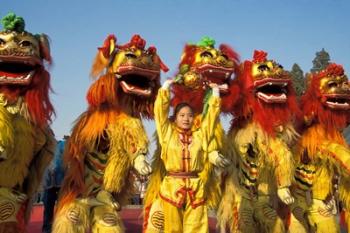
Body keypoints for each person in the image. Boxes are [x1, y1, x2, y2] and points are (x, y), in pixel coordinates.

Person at [154, 79, 227, 233]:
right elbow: (160, 114)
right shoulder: (167, 134)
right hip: (172, 186)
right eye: (182, 115)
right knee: (173, 228)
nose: (186, 119)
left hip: (196, 187)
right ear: (175, 118)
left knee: (197, 228)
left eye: (189, 116)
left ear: (194, 118)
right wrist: (165, 88)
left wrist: (215, 93)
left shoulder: (200, 136)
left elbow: (211, 121)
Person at [42, 135, 68, 233]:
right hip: (48, 183)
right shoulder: (44, 147)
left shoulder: (62, 144)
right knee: (48, 208)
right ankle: (47, 230)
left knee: (62, 208)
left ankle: (61, 228)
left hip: (61, 181)